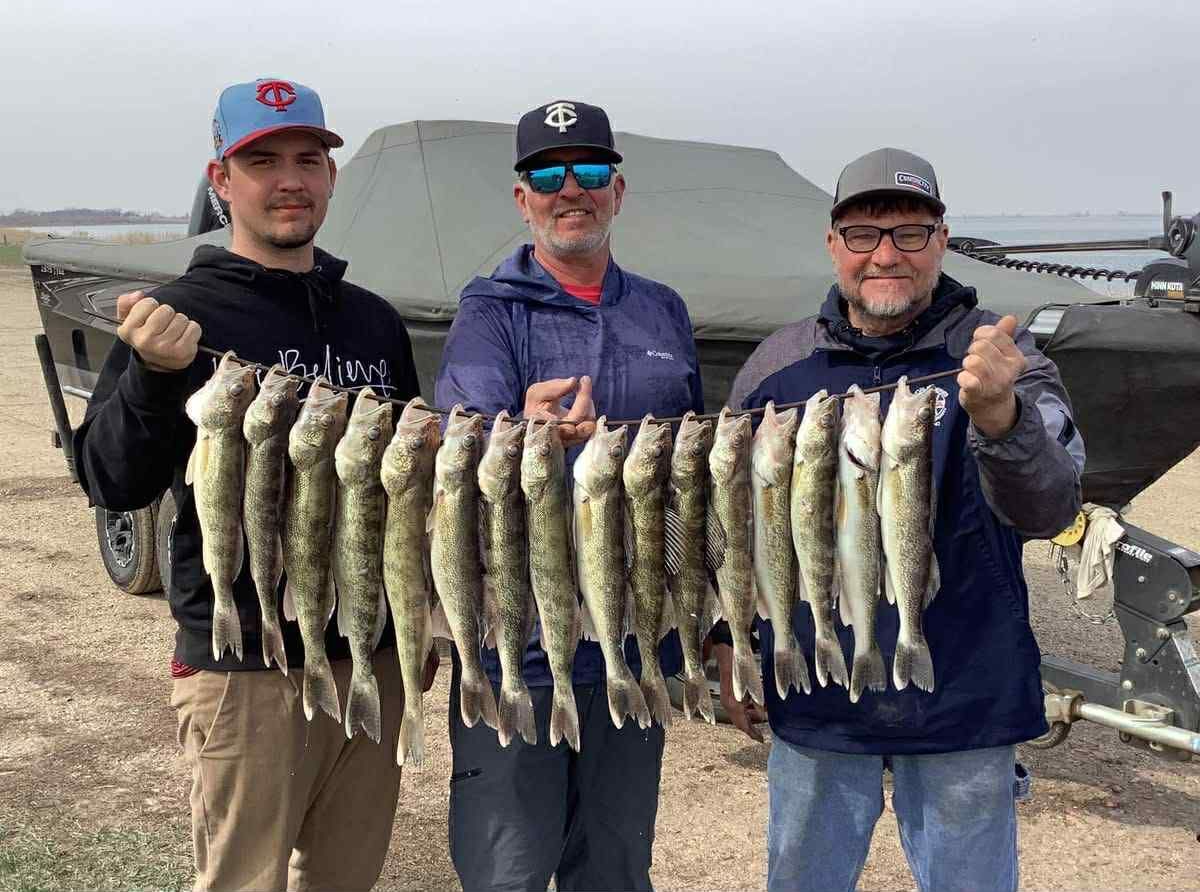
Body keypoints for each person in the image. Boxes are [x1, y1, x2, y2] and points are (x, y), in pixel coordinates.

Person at [74, 78, 431, 891]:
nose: (290, 179)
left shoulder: (374, 320)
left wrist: (419, 625)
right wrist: (154, 379)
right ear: (221, 179)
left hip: (370, 660)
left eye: (309, 158)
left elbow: (409, 496)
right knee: (244, 880)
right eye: (261, 160)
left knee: (346, 877)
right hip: (248, 666)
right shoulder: (178, 313)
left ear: (332, 178)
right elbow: (109, 478)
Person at [724, 147, 1084, 892]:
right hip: (817, 697)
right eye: (864, 234)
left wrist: (1001, 417)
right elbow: (732, 527)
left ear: (941, 240)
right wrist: (726, 644)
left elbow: (1051, 508)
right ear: (834, 246)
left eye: (910, 232)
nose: (886, 254)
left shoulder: (998, 357)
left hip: (964, 696)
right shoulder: (776, 366)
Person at [434, 99, 705, 891]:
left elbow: (693, 475)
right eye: (547, 175)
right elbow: (465, 437)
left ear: (617, 191)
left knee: (617, 866)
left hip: (634, 641)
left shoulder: (664, 309)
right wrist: (520, 428)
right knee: (507, 868)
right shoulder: (489, 310)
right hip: (516, 638)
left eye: (588, 171)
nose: (569, 190)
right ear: (523, 199)